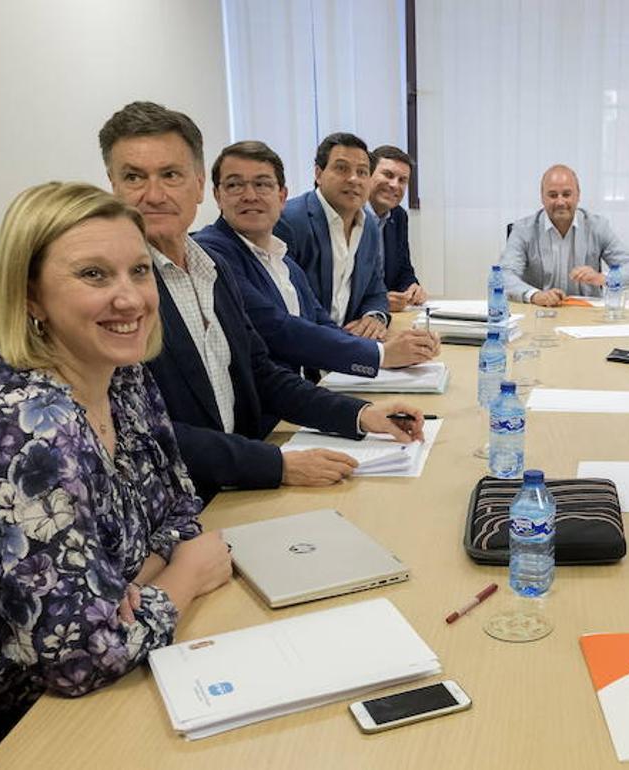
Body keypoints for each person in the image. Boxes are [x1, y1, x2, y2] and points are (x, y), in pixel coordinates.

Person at [0, 182, 233, 766]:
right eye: (94, 275)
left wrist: (124, 583)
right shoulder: (25, 422)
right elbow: (79, 655)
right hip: (8, 723)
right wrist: (182, 577)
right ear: (31, 296)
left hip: (111, 671)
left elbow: (181, 508)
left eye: (139, 271)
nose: (130, 300)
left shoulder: (121, 371)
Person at [98, 102, 425, 504]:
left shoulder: (212, 267)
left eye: (170, 175)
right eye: (134, 177)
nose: (154, 194)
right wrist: (277, 465)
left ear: (197, 185)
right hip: (181, 503)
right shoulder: (114, 296)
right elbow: (141, 429)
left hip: (240, 482)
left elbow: (261, 374)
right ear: (113, 186)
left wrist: (359, 415)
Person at [193, 141, 439, 379]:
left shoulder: (282, 259)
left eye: (262, 184)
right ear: (216, 195)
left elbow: (322, 318)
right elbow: (277, 328)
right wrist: (379, 355)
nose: (250, 195)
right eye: (235, 185)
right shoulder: (213, 252)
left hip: (315, 373)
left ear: (281, 195)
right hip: (289, 384)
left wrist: (383, 346)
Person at [275, 132, 391, 339]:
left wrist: (374, 317)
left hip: (348, 343)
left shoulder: (369, 226)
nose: (354, 179)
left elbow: (376, 289)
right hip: (307, 346)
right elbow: (290, 306)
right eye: (342, 168)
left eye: (362, 172)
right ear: (318, 174)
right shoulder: (290, 221)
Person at [499, 164, 629, 306]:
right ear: (542, 197)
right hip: (540, 312)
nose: (560, 201)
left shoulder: (597, 227)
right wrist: (535, 295)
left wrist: (602, 278)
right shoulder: (523, 230)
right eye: (553, 195)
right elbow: (503, 275)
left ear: (578, 196)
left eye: (566, 194)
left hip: (586, 315)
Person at [366, 145, 428, 312]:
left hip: (388, 314)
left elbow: (403, 269)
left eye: (402, 180)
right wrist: (378, 300)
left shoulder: (398, 216)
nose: (394, 185)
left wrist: (412, 287)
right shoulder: (350, 214)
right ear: (368, 175)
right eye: (388, 175)